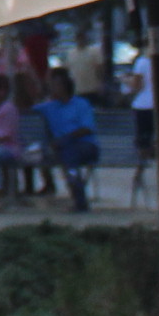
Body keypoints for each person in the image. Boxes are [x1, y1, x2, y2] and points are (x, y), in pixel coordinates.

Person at [38, 67, 101, 213]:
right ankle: (79, 199)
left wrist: (66, 139)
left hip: (85, 146)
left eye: (55, 85)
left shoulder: (81, 104)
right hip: (63, 149)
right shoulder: (49, 107)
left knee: (68, 152)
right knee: (66, 153)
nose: (51, 88)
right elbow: (27, 109)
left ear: (64, 87)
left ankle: (78, 197)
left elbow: (87, 128)